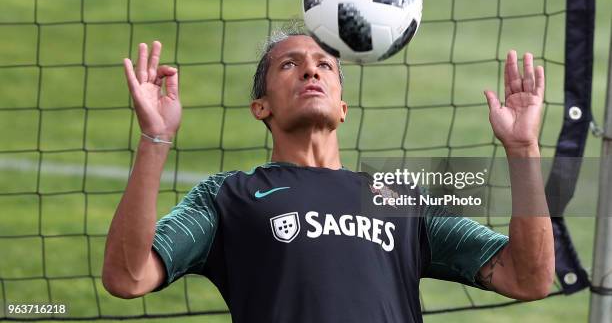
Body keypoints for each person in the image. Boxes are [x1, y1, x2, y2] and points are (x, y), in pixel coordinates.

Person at [102, 26, 554, 323]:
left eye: (325, 65)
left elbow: (528, 278)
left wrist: (522, 148)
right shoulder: (229, 196)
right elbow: (127, 277)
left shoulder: (397, 196)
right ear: (261, 106)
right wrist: (155, 138)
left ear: (342, 108)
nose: (310, 70)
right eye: (289, 64)